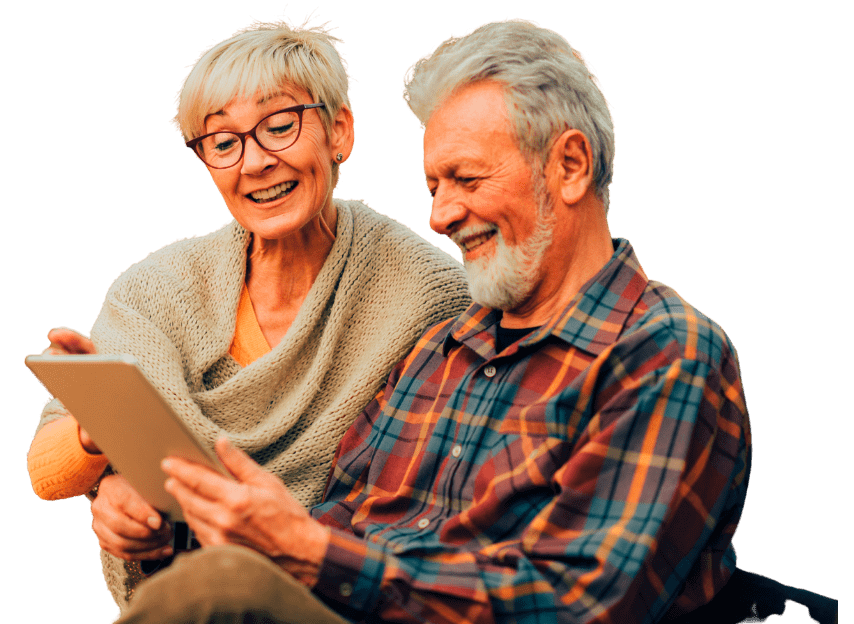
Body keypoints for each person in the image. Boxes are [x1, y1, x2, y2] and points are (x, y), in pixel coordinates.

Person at [109, 18, 753, 624]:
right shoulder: (447, 347)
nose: (441, 215)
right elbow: (336, 519)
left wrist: (310, 552)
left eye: (466, 179)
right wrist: (182, 529)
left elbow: (579, 605)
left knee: (222, 590)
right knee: (215, 577)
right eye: (433, 187)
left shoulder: (661, 352)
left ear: (571, 166)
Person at [25, 15, 470, 617]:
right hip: (180, 593)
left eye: (279, 127)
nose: (254, 162)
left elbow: (434, 500)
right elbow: (46, 472)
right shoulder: (157, 287)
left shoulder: (431, 294)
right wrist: (104, 448)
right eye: (224, 142)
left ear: (340, 132)